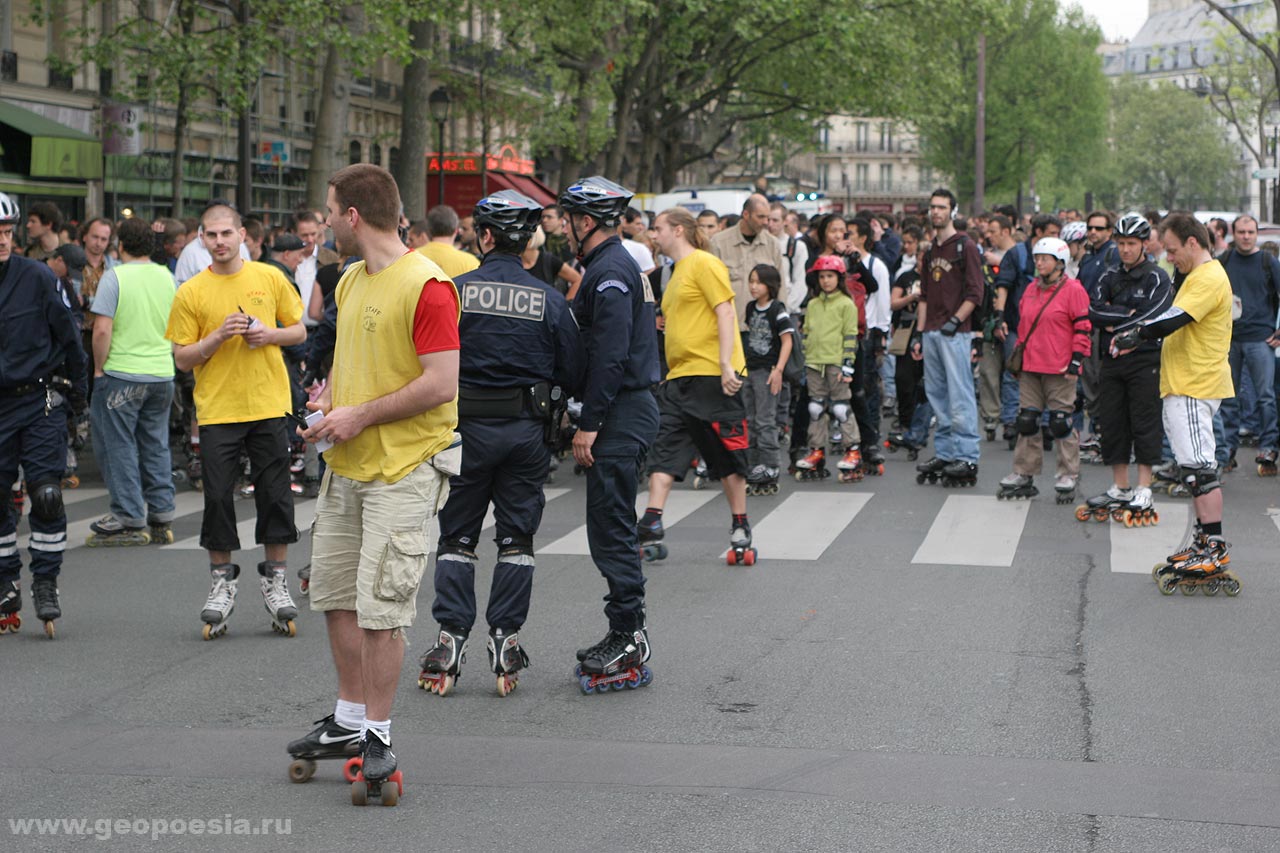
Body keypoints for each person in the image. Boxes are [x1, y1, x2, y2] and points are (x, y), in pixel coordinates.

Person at [290, 164, 461, 793]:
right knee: (336, 596)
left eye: (330, 210)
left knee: (382, 609)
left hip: (404, 468)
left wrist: (360, 415)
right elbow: (347, 357)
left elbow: (442, 383)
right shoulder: (350, 280)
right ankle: (348, 719)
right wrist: (329, 402)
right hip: (348, 465)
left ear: (353, 217)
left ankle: (379, 735)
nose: (325, 221)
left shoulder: (428, 286)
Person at [418, 190, 584, 697]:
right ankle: (506, 639)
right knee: (516, 541)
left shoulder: (454, 291)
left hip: (463, 432)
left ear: (485, 237)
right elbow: (573, 370)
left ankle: (449, 639)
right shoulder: (551, 299)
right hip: (525, 436)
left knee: (458, 538)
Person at [165, 203, 306, 640]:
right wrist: (217, 337)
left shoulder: (269, 277)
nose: (220, 242)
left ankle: (276, 579)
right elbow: (183, 359)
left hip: (267, 404)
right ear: (201, 240)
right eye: (211, 235)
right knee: (219, 498)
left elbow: (299, 330)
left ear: (243, 234)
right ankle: (221, 582)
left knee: (275, 495)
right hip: (219, 409)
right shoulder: (191, 292)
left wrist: (269, 334)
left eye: (227, 233)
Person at [561, 177, 660, 692]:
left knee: (613, 528)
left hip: (621, 412)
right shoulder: (610, 266)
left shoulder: (610, 271)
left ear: (588, 221)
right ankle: (623, 627)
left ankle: (630, 633)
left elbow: (611, 355)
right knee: (606, 527)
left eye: (570, 217)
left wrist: (590, 423)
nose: (565, 225)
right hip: (621, 410)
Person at [1111, 213, 1237, 594]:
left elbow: (1174, 319)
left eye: (1172, 250)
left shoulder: (1209, 276)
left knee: (1200, 469)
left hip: (1194, 385)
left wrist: (1137, 334)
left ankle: (1213, 548)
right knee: (1191, 468)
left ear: (1193, 243)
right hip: (1184, 383)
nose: (1169, 258)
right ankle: (1203, 541)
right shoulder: (1196, 275)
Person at [637, 207, 753, 560]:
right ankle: (652, 520)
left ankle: (740, 524)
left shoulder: (705, 263)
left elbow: (725, 310)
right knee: (665, 446)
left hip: (715, 377)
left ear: (678, 231)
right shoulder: (671, 276)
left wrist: (725, 365)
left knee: (727, 454)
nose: (652, 236)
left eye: (657, 229)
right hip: (679, 377)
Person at [0, 192, 87, 636]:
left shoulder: (35, 277)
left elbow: (70, 336)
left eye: (6, 231)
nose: (1, 239)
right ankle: (4, 581)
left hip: (38, 400)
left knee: (47, 494)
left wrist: (80, 399)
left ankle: (46, 581)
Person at [85, 217, 179, 546]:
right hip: (161, 374)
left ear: (120, 245)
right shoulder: (168, 277)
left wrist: (99, 369)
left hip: (122, 374)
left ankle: (128, 514)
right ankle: (162, 513)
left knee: (119, 444)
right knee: (155, 444)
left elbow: (101, 329)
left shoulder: (115, 277)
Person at [1079, 214, 1173, 524]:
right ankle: (1120, 486)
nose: (1126, 250)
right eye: (1121, 244)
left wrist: (1118, 322)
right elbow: (1092, 311)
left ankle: (1144, 486)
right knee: (1113, 422)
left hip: (1145, 360)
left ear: (1145, 244)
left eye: (1132, 244)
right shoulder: (1109, 276)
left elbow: (1155, 316)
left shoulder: (1157, 277)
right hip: (1112, 360)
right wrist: (1126, 314)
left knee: (1144, 421)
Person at [995, 238, 1091, 504]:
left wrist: (1075, 361)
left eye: (1044, 259)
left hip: (1059, 367)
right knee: (1027, 420)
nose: (1039, 263)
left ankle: (1068, 473)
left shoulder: (1073, 290)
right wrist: (1019, 361)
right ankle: (1024, 473)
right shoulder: (1030, 289)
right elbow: (1024, 328)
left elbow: (1083, 328)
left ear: (1059, 263)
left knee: (1060, 421)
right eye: (1037, 258)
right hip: (1030, 366)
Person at [912, 188, 984, 487]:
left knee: (960, 396)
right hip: (931, 331)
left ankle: (967, 454)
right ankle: (944, 452)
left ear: (952, 211)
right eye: (933, 207)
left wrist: (956, 321)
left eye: (941, 207)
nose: (936, 212)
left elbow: (976, 292)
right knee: (937, 396)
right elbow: (925, 296)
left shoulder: (964, 246)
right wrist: (920, 332)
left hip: (955, 333)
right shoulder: (930, 250)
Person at [1217, 215, 1280, 475]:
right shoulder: (1224, 261)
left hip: (1260, 339)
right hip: (1229, 339)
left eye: (1250, 232)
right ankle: (1228, 449)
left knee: (1265, 396)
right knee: (1228, 398)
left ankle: (1268, 447)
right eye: (1241, 231)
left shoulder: (1268, 261)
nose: (1246, 236)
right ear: (1234, 233)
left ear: (1256, 234)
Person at [795, 254, 862, 481]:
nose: (826, 281)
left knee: (841, 408)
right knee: (815, 408)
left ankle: (852, 450)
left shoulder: (846, 304)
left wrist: (848, 365)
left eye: (830, 276)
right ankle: (816, 450)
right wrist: (804, 359)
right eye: (822, 276)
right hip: (814, 363)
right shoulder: (812, 304)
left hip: (835, 362)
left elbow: (851, 335)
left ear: (839, 278)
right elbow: (807, 333)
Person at [741, 264, 794, 494]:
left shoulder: (777, 309)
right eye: (751, 281)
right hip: (749, 370)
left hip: (768, 371)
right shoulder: (751, 307)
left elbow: (787, 341)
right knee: (750, 421)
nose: (753, 286)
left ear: (770, 285)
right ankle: (754, 465)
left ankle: (771, 466)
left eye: (758, 282)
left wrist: (778, 370)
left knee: (765, 420)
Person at [709, 194, 785, 331]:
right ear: (746, 214)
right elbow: (710, 287)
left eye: (767, 217)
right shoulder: (719, 243)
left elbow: (781, 286)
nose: (766, 222)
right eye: (760, 217)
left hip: (763, 329)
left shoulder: (773, 244)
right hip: (729, 327)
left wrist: (781, 322)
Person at [417, 205, 481, 279]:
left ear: (428, 230)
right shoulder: (471, 263)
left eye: (465, 229)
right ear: (456, 230)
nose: (461, 231)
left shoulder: (412, 257)